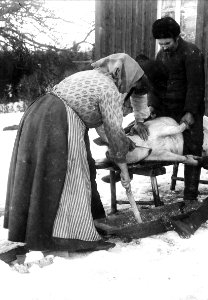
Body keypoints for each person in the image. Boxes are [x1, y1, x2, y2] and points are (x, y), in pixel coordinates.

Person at [4, 53, 150, 252]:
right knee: (74, 176)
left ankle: (38, 232)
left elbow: (107, 129)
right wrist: (124, 169)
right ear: (127, 78)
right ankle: (77, 238)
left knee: (45, 175)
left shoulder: (91, 76)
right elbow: (113, 132)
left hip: (38, 112)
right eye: (132, 86)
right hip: (61, 119)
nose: (129, 92)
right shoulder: (110, 90)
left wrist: (121, 142)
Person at [150, 16, 205, 202]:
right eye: (160, 43)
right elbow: (156, 84)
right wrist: (153, 106)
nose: (164, 46)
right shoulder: (160, 55)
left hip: (188, 110)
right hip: (167, 109)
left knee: (192, 148)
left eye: (167, 43)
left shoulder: (191, 52)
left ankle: (190, 196)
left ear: (177, 37)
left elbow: (196, 86)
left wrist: (190, 112)